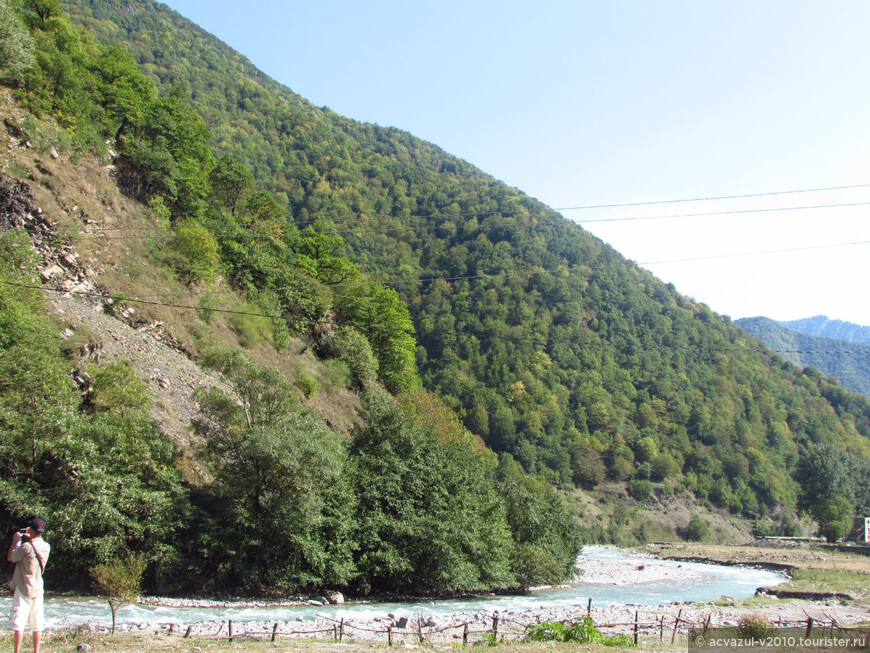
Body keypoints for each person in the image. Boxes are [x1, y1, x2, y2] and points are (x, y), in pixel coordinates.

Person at [7, 518, 50, 653]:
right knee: (37, 623)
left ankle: (17, 651)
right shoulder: (47, 546)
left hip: (23, 586)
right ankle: (36, 650)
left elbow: (11, 557)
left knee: (19, 622)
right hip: (38, 587)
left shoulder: (26, 546)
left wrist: (16, 541)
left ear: (30, 530)